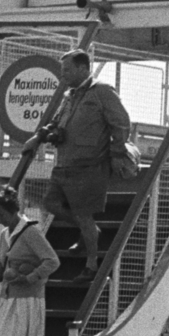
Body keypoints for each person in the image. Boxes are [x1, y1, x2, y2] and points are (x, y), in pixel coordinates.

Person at [41, 49, 130, 282]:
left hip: (89, 165)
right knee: (50, 202)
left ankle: (91, 264)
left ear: (83, 68)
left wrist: (118, 152)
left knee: (83, 213)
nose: (63, 75)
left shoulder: (102, 91)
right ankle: (90, 231)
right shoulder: (70, 95)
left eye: (67, 70)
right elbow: (56, 121)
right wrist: (50, 132)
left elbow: (120, 122)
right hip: (64, 163)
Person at [0, 191, 60, 336]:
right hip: (7, 298)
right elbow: (1, 265)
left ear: (13, 212)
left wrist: (29, 278)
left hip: (28, 301)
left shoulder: (30, 232)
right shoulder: (5, 234)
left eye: (1, 214)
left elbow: (52, 261)